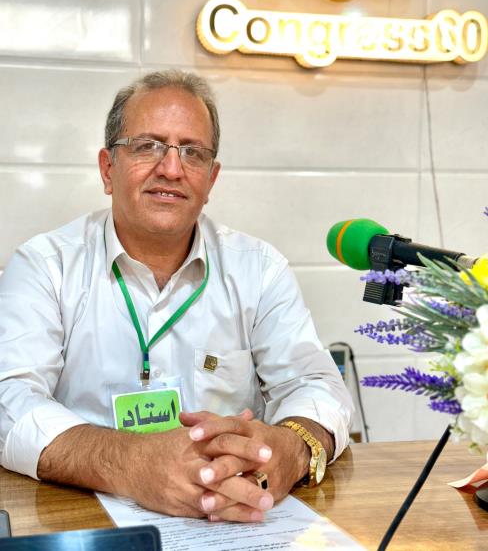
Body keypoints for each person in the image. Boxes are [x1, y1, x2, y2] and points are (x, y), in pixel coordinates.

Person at [0, 70, 353, 523]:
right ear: (108, 169)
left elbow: (316, 384)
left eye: (192, 152)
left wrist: (290, 448)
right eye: (147, 146)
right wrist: (131, 462)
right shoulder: (46, 266)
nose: (171, 168)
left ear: (211, 178)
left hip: (232, 519)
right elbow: (9, 399)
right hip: (88, 519)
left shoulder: (259, 268)